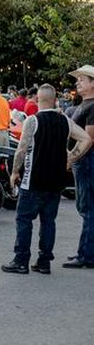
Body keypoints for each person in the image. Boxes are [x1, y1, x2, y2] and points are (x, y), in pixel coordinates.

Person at [1, 84, 92, 274]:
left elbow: (22, 149)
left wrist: (15, 172)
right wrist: (71, 157)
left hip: (33, 179)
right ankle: (44, 261)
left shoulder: (33, 121)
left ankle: (21, 260)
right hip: (56, 180)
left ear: (37, 100)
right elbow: (86, 138)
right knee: (48, 221)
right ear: (55, 100)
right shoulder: (64, 121)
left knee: (24, 220)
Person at [65, 65, 94, 269]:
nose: (78, 83)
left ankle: (86, 255)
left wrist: (71, 158)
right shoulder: (85, 104)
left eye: (82, 79)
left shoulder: (92, 106)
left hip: (87, 161)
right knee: (85, 207)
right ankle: (86, 251)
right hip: (82, 162)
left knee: (88, 208)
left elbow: (89, 138)